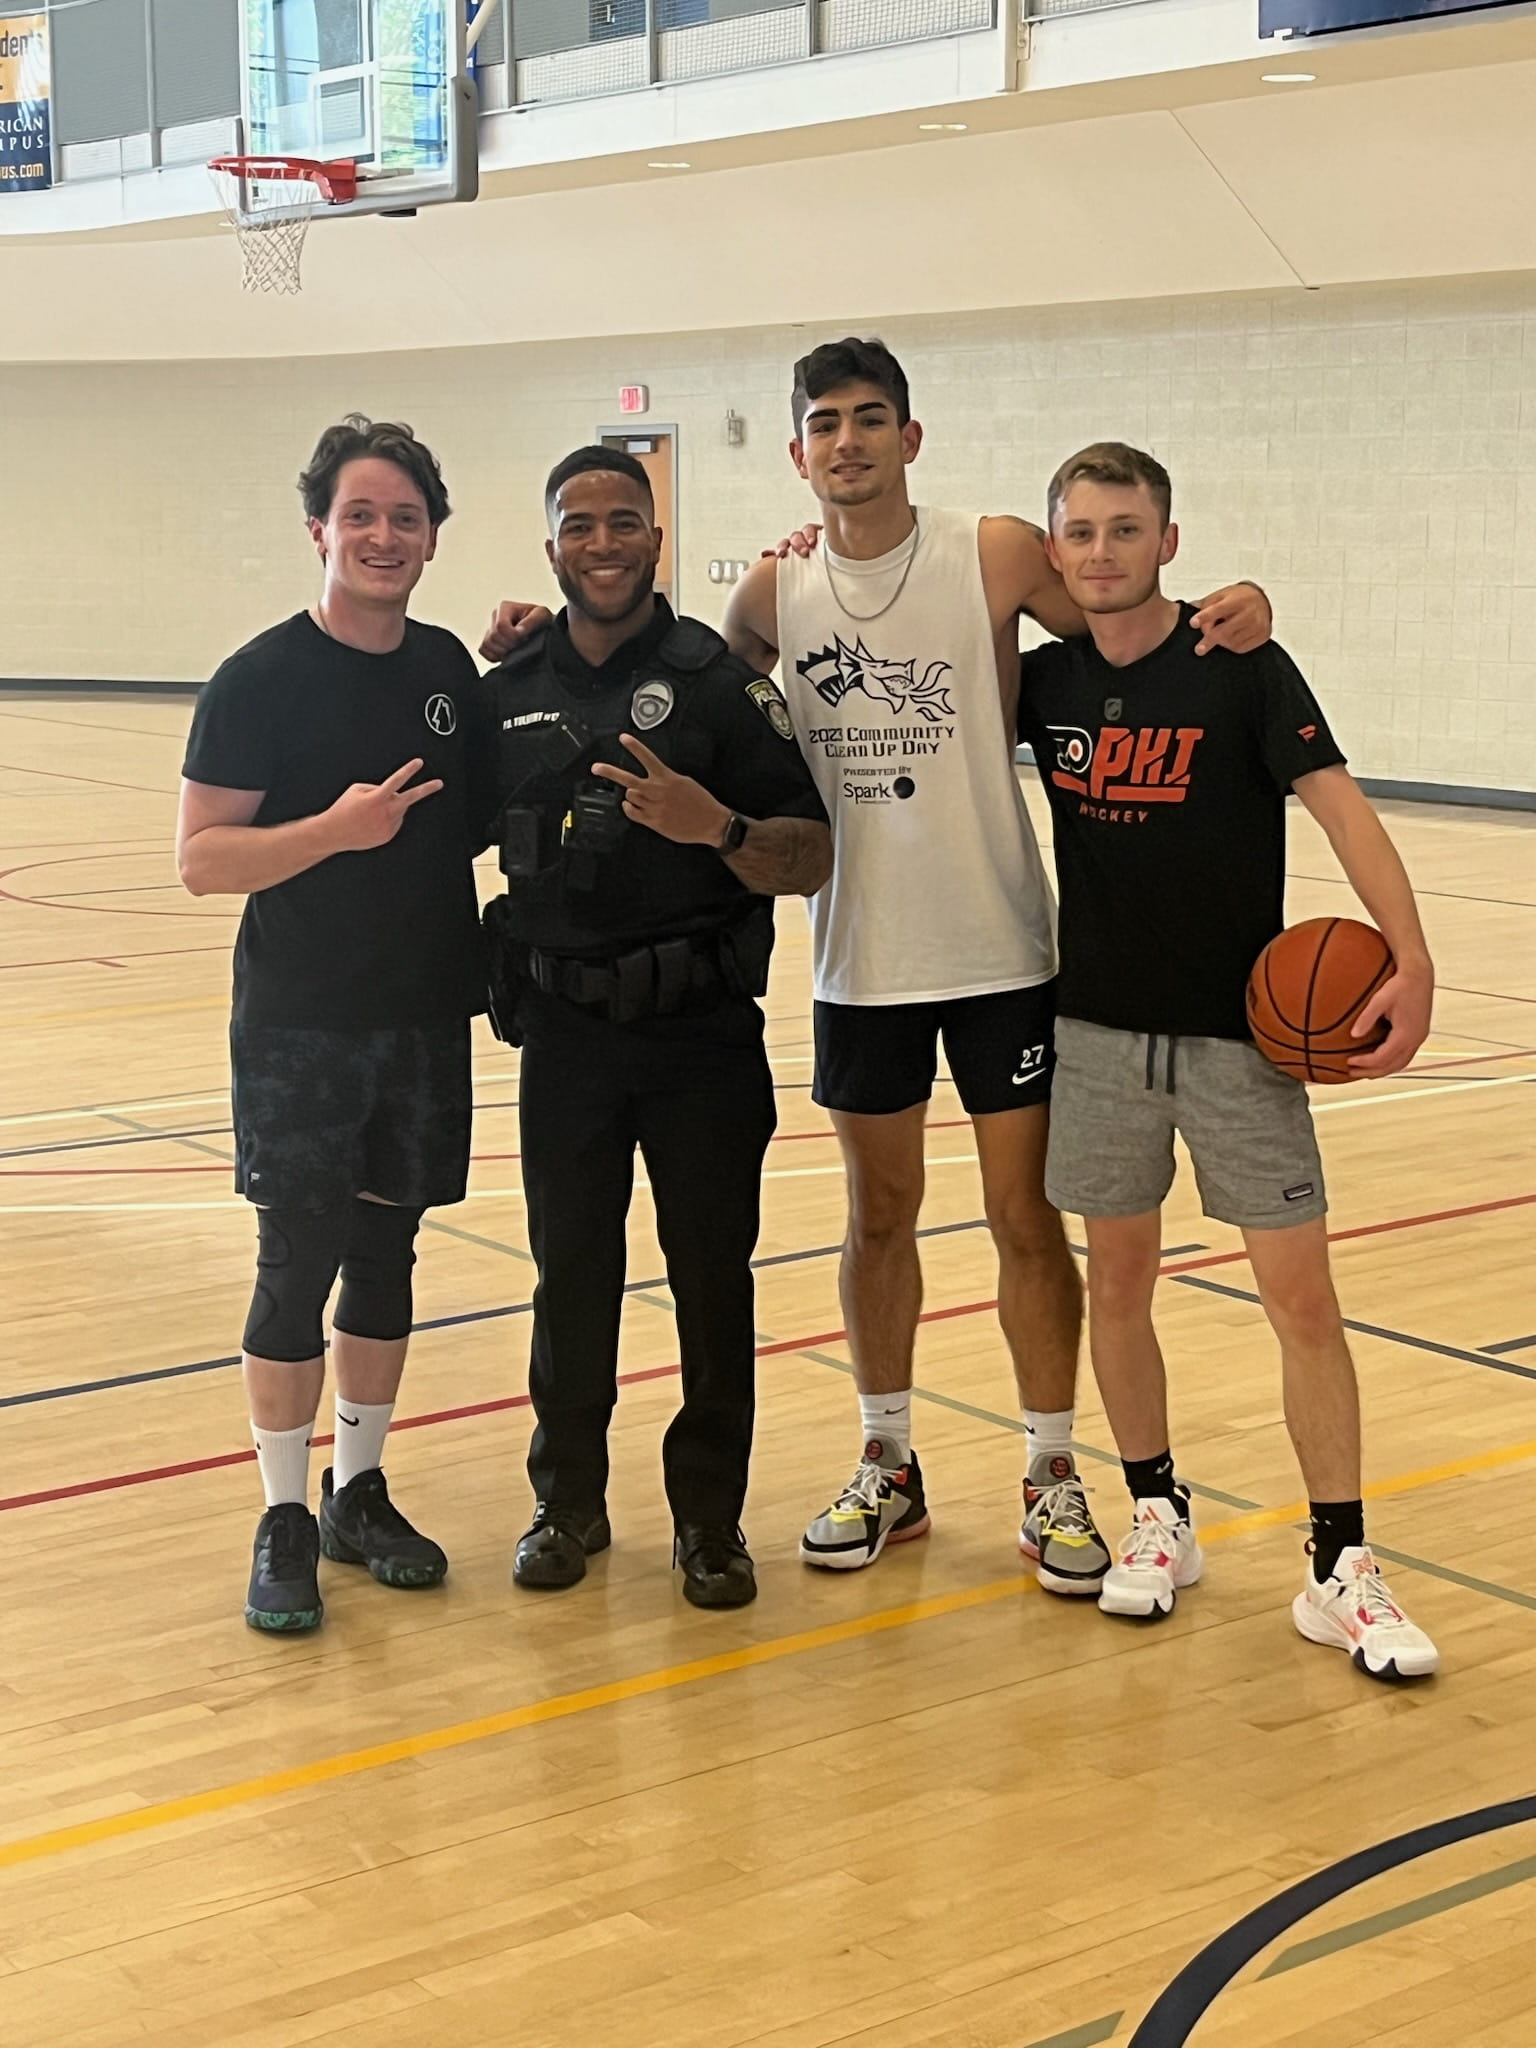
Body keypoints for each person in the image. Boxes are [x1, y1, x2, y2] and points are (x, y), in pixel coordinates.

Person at [484, 341, 1270, 1592]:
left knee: (1025, 1220)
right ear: (798, 454)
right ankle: (889, 1460)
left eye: (870, 419)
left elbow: (1127, 625)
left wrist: (1236, 606)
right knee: (879, 1216)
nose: (847, 441)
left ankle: (1050, 1470)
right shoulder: (771, 600)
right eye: (824, 425)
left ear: (910, 436)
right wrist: (527, 633)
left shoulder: (997, 549)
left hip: (1001, 942)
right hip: (857, 955)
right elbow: (669, 688)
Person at [1019, 440, 1438, 1679]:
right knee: (1121, 1283)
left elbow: (1344, 808)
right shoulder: (1038, 681)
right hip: (1093, 1029)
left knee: (1301, 1298)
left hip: (1243, 1043)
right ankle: (1157, 1507)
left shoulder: (1242, 666)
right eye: (1081, 532)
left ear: (1170, 540)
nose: (1104, 551)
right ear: (1057, 550)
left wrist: (1410, 959)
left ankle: (1339, 1564)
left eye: (1127, 528)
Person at [482, 445, 831, 1611]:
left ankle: (709, 1522)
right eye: (578, 525)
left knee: (709, 1279)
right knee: (569, 1275)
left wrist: (716, 825)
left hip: (700, 1037)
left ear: (656, 539)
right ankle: (566, 1501)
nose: (603, 542)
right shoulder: (508, 685)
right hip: (569, 1040)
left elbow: (813, 850)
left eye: (624, 521)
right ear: (552, 550)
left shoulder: (723, 683)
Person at [177, 415, 490, 1635]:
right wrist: (330, 832)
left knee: (387, 1256)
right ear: (320, 529)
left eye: (403, 517)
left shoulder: (449, 669)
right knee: (292, 1264)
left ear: (430, 539)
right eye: (359, 514)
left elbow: (469, 821)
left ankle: (361, 1489)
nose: (381, 535)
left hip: (419, 1014)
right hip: (301, 1024)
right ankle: (285, 1510)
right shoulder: (259, 678)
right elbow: (204, 859)